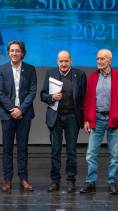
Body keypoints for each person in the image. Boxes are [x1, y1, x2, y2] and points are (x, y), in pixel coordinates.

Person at [79, 49, 118, 194]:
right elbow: (87, 100)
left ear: (110, 61)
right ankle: (90, 181)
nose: (99, 61)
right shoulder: (93, 77)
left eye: (102, 59)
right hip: (97, 118)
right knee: (91, 153)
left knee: (114, 154)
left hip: (113, 119)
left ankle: (112, 182)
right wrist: (86, 120)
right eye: (98, 59)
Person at [40, 50, 87, 193]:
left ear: (71, 61)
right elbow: (42, 95)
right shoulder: (51, 73)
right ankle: (55, 181)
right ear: (57, 62)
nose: (64, 63)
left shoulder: (80, 75)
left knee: (71, 151)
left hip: (72, 116)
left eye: (66, 61)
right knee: (55, 151)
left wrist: (85, 119)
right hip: (56, 116)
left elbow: (84, 98)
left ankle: (71, 181)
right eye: (61, 61)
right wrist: (52, 97)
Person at [0, 40, 37, 192]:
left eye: (17, 50)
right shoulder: (1, 70)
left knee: (22, 148)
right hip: (7, 115)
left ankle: (23, 179)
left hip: (24, 115)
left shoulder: (30, 69)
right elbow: (0, 93)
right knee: (7, 149)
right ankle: (7, 180)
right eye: (12, 50)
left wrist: (21, 109)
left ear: (23, 53)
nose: (14, 53)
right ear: (8, 53)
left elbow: (32, 91)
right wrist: (13, 109)